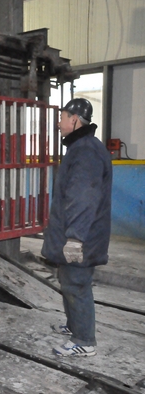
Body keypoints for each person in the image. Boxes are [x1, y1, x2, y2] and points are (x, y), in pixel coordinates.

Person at [43, 98, 112, 357]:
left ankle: (85, 340)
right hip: (78, 232)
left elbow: (84, 197)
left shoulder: (86, 151)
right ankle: (74, 326)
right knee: (68, 279)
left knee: (77, 283)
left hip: (83, 235)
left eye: (62, 117)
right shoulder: (81, 147)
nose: (59, 123)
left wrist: (75, 238)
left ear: (74, 119)